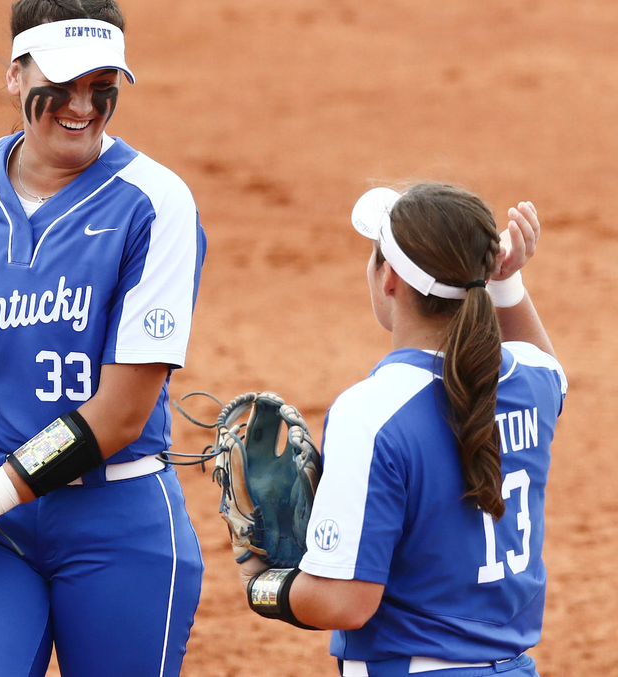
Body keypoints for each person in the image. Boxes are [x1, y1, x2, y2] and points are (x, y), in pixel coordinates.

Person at [0, 0, 207, 676]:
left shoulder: (155, 203)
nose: (82, 105)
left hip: (113, 519)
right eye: (60, 84)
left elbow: (120, 415)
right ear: (15, 77)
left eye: (101, 85)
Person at [236, 184, 562, 677]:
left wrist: (260, 582)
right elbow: (542, 363)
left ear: (388, 277)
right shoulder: (535, 383)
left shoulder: (372, 413)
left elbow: (345, 602)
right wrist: (507, 285)